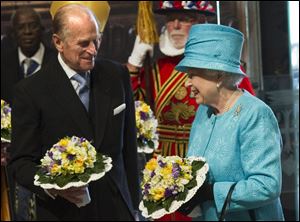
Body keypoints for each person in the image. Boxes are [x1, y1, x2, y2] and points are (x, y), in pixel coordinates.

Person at [8, 4, 139, 220]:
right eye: (83, 43)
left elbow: (129, 150)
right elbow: (20, 164)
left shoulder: (116, 75)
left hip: (116, 208)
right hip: (64, 212)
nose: (94, 50)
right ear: (58, 42)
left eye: (96, 40)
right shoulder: (30, 91)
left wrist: (135, 207)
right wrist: (53, 186)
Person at [175, 24, 285, 221]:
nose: (187, 83)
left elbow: (267, 185)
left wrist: (210, 193)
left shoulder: (255, 114)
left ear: (218, 75)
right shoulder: (203, 111)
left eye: (192, 74)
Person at [127, 1, 255, 159]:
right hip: (163, 161)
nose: (176, 25)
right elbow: (134, 107)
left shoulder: (223, 69)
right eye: (170, 19)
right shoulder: (156, 68)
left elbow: (247, 116)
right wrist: (134, 63)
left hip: (207, 154)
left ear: (202, 21)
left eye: (185, 19)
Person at [1, 7, 55, 221]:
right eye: (21, 28)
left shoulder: (57, 61)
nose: (28, 32)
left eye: (32, 26)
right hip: (11, 155)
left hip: (49, 151)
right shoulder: (2, 63)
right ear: (13, 33)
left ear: (42, 30)